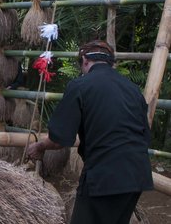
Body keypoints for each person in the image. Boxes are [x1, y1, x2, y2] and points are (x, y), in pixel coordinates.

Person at [26, 40, 153, 224]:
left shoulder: (80, 86)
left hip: (104, 176)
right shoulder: (133, 90)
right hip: (137, 176)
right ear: (111, 63)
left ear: (85, 60)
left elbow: (60, 138)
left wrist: (40, 146)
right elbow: (144, 135)